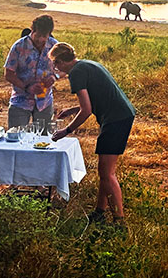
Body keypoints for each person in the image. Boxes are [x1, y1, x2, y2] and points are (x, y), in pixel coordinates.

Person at [49, 43, 135, 225]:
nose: (56, 68)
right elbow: (97, 96)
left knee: (107, 173)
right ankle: (99, 212)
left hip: (116, 119)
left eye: (55, 64)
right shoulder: (87, 64)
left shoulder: (76, 73)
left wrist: (67, 130)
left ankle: (120, 223)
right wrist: (72, 110)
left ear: (61, 61)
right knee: (105, 171)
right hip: (120, 115)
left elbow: (87, 110)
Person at [4, 15, 58, 134]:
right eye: (38, 35)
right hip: (21, 100)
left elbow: (65, 67)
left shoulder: (54, 46)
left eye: (44, 36)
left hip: (45, 102)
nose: (40, 40)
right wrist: (27, 87)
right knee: (16, 139)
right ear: (32, 30)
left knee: (44, 140)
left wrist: (55, 77)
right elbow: (8, 74)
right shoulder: (19, 47)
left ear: (49, 34)